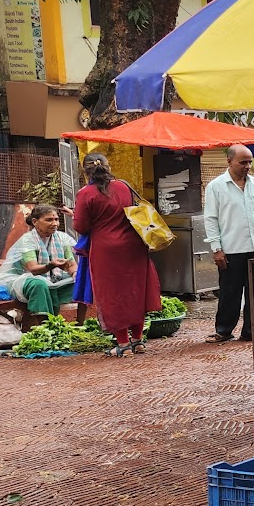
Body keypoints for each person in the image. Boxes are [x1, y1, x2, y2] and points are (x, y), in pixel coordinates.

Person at [74, 151, 161, 356]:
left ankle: (122, 343)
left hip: (106, 250)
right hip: (134, 246)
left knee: (113, 294)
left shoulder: (86, 194)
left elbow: (81, 225)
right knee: (135, 291)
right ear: (108, 167)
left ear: (85, 171)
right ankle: (138, 341)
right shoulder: (124, 186)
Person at [204, 145, 254, 343]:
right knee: (230, 292)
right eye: (243, 162)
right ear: (229, 161)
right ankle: (224, 330)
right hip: (231, 249)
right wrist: (216, 249)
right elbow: (210, 219)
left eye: (250, 162)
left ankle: (252, 330)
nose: (248, 166)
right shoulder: (216, 187)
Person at [0, 204, 77, 321]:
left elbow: (71, 265)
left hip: (54, 277)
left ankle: (80, 322)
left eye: (56, 219)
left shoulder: (62, 238)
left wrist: (75, 274)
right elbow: (33, 269)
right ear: (35, 221)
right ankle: (44, 327)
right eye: (49, 220)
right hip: (24, 278)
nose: (55, 224)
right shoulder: (27, 241)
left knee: (82, 281)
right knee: (39, 285)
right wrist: (50, 265)